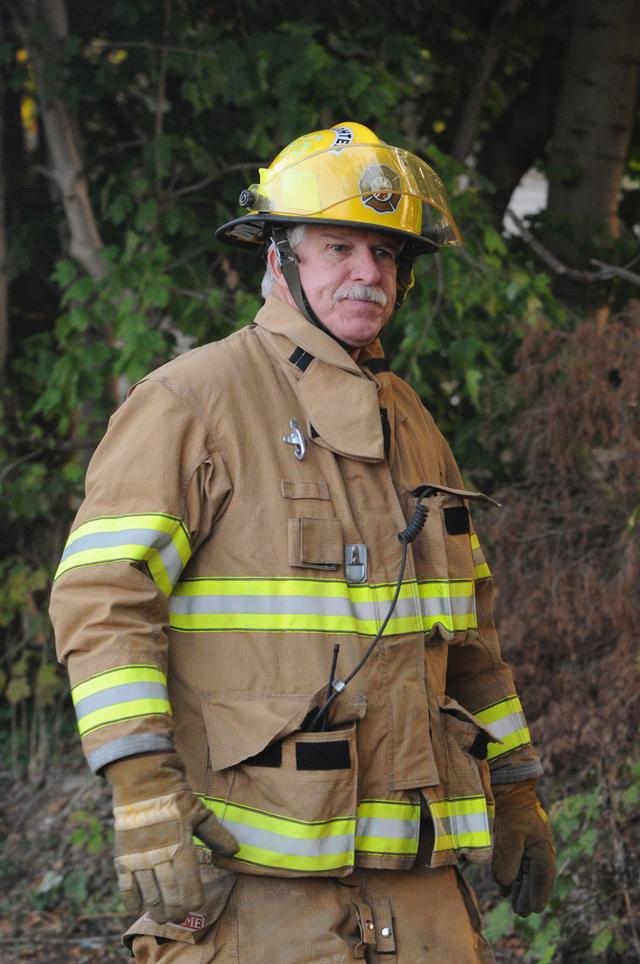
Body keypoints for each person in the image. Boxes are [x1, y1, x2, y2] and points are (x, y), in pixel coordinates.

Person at [50, 121, 555, 963]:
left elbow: (472, 634)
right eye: (338, 247)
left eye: (387, 254)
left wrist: (517, 783)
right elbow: (104, 599)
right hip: (260, 898)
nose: (369, 272)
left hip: (423, 893)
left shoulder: (414, 425)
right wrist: (141, 790)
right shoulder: (193, 401)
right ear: (278, 256)